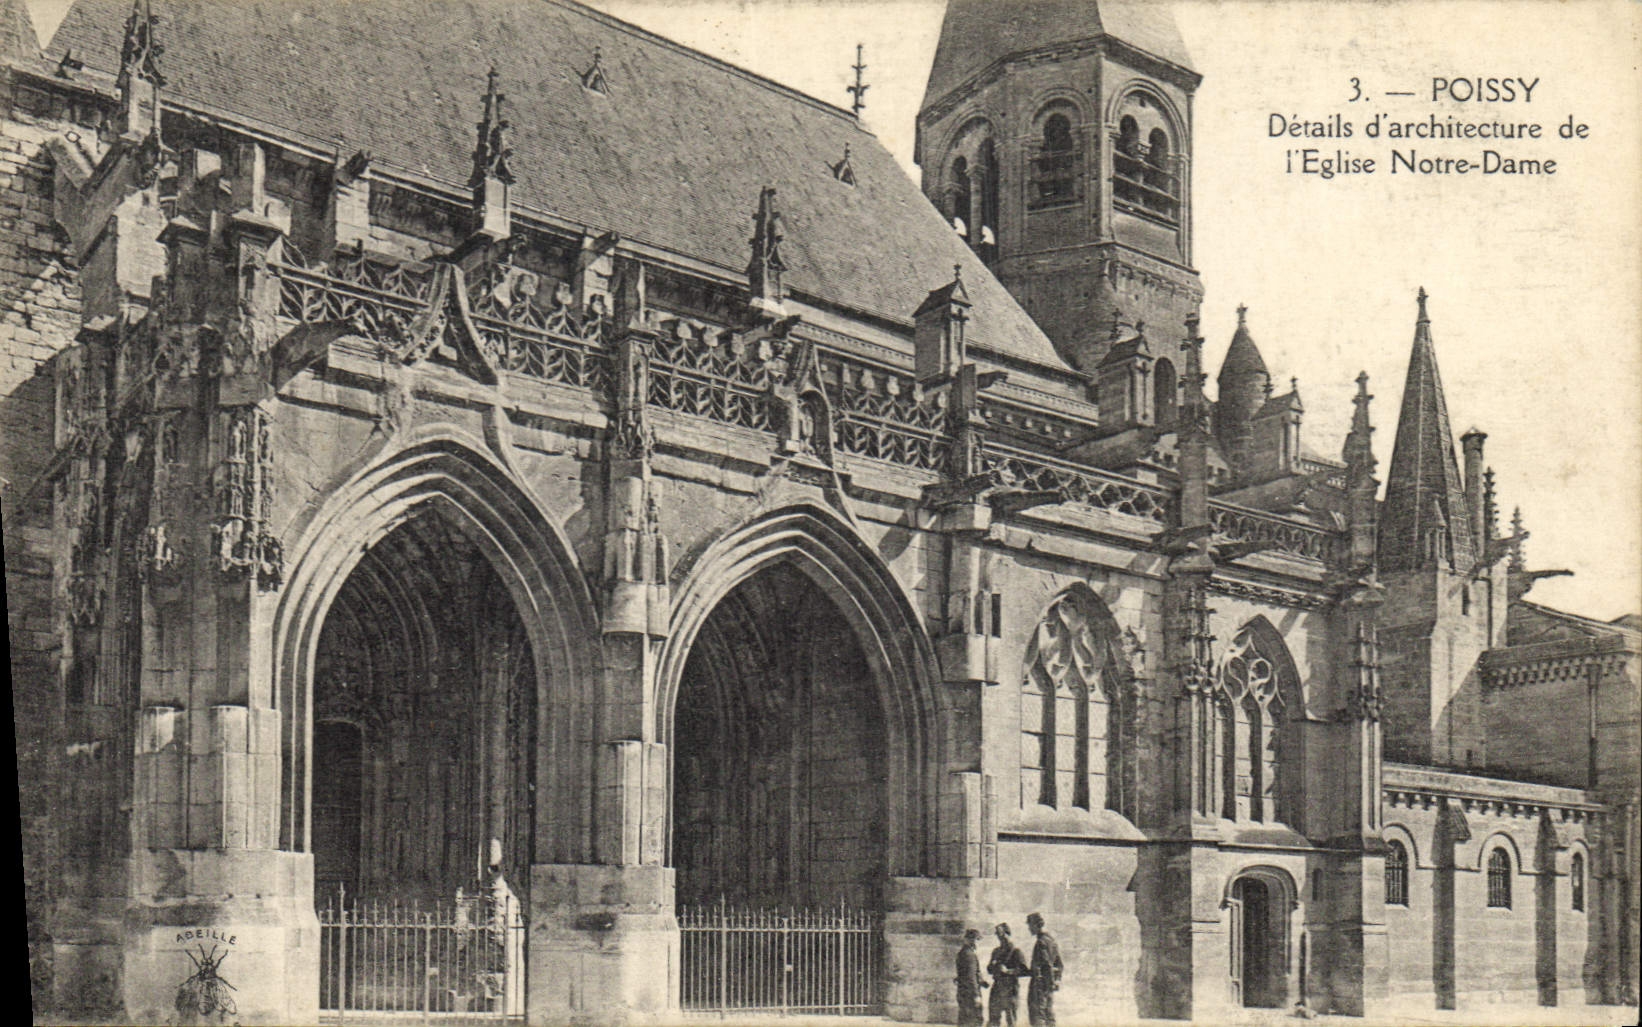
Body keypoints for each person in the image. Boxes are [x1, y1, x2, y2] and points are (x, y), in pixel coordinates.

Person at [986, 922, 1030, 1027]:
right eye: (997, 934)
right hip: (997, 988)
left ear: (1007, 933)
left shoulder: (1016, 951)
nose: (999, 937)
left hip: (1010, 989)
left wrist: (1008, 971)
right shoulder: (996, 951)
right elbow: (989, 969)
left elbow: (1024, 971)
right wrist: (992, 966)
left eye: (1000, 934)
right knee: (993, 1019)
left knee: (1011, 1020)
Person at [1025, 912, 1063, 1027]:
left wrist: (1046, 984)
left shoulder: (1041, 942)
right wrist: (1055, 981)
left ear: (1036, 925)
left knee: (1037, 1017)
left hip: (1039, 986)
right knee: (1049, 1016)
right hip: (1048, 986)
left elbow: (1046, 965)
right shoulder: (1052, 941)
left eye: (1030, 925)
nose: (1029, 928)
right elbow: (1059, 964)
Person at [955, 928, 986, 1026]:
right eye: (977, 939)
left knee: (964, 1020)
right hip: (970, 994)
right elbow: (971, 977)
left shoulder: (962, 953)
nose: (978, 943)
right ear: (971, 940)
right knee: (974, 1021)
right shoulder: (969, 955)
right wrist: (976, 995)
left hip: (963, 992)